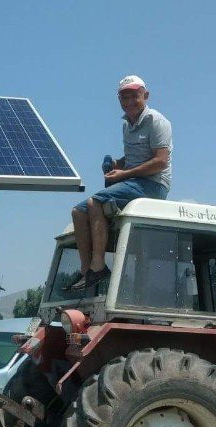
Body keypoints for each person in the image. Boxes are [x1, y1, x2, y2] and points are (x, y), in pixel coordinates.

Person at [69, 74, 173, 290]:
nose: (128, 102)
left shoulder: (157, 121)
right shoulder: (126, 124)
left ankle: (99, 267)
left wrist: (123, 175)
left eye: (134, 96)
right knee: (78, 212)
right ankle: (85, 270)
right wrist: (118, 164)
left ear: (146, 95)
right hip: (134, 181)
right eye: (123, 97)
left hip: (154, 185)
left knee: (93, 203)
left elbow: (160, 162)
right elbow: (134, 158)